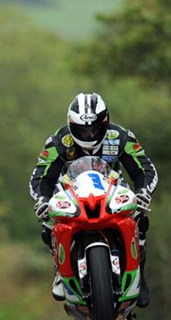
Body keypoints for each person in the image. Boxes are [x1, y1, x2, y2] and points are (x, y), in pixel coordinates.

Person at [29, 92, 158, 307]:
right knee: (48, 220)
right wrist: (42, 199)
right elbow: (41, 177)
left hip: (113, 188)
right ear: (71, 125)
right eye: (83, 130)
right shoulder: (59, 141)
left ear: (105, 123)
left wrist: (143, 191)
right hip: (72, 193)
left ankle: (138, 274)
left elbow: (145, 169)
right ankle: (60, 270)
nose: (89, 134)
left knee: (139, 217)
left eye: (94, 129)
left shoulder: (120, 137)